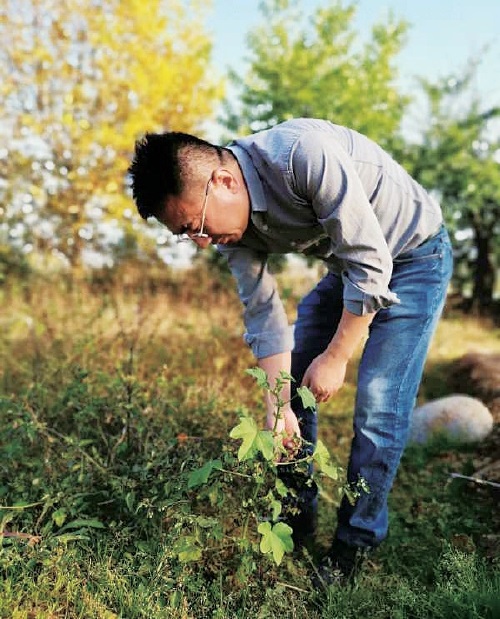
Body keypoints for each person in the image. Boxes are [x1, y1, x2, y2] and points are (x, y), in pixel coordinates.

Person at [128, 118, 453, 586]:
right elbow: (263, 314)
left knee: (379, 405)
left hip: (413, 257)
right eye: (186, 234)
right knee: (294, 390)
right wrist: (276, 405)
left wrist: (338, 356)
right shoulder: (228, 232)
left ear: (222, 181)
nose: (200, 241)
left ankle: (354, 544)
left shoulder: (303, 155)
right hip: (350, 267)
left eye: (195, 225)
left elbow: (371, 262)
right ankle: (296, 521)